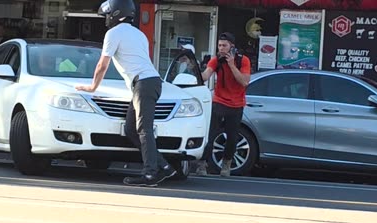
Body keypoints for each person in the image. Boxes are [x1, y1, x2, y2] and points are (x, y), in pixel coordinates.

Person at [75, 0, 177, 187]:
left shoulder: (113, 33)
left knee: (143, 129)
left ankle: (149, 174)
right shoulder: (139, 34)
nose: (106, 19)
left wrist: (92, 87)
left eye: (107, 15)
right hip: (150, 82)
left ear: (114, 14)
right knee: (131, 128)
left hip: (143, 84)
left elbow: (102, 65)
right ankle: (163, 166)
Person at [196, 32, 251, 177]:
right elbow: (205, 76)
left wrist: (232, 65)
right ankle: (202, 163)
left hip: (236, 104)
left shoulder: (243, 61)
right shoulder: (216, 60)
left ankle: (226, 164)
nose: (221, 48)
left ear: (232, 47)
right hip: (219, 101)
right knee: (210, 134)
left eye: (224, 46)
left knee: (232, 137)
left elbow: (244, 82)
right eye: (219, 45)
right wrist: (193, 68)